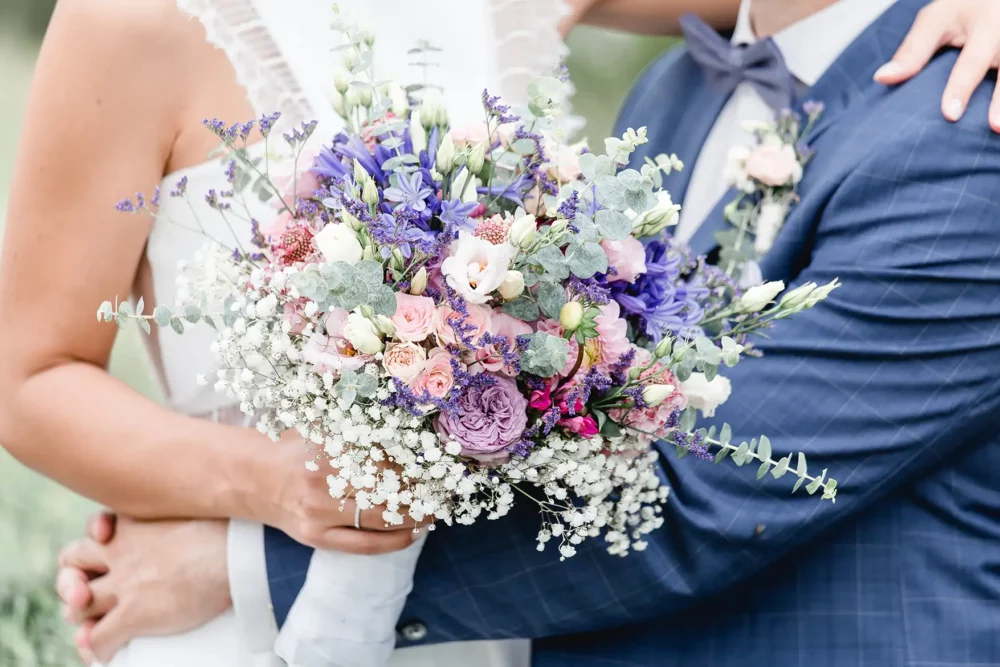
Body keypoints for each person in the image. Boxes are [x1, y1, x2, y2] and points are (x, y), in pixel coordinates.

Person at [1, 0, 997, 665]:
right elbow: (27, 373)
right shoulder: (132, 21)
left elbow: (816, 16)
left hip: (496, 621)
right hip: (234, 629)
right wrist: (257, 490)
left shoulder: (524, 7)